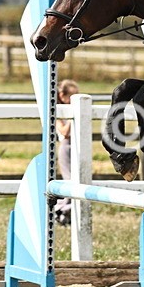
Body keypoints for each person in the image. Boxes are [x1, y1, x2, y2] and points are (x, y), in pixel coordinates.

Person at [53, 79, 79, 226]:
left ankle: (65, 211)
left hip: (76, 146)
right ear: (62, 96)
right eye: (72, 96)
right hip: (66, 146)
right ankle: (59, 209)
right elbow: (63, 131)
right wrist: (72, 118)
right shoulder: (59, 111)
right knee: (69, 179)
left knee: (77, 179)